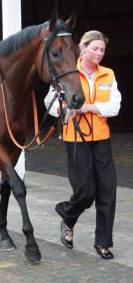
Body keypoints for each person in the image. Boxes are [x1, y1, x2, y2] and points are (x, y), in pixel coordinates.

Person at [44, 30, 121, 260]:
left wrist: (88, 108)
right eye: (95, 48)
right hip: (76, 138)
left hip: (101, 138)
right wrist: (66, 109)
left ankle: (103, 243)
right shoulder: (68, 71)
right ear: (83, 48)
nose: (99, 53)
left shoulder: (108, 74)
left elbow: (114, 106)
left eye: (102, 49)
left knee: (108, 190)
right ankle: (68, 216)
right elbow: (50, 103)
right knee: (86, 191)